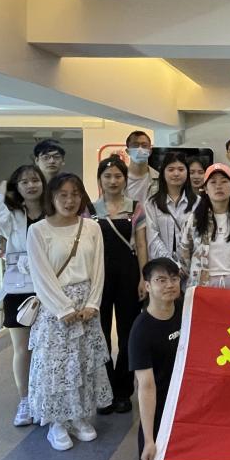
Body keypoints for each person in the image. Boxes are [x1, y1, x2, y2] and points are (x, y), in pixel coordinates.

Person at [26, 173, 112, 451]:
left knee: (84, 362)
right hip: (55, 309)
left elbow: (98, 269)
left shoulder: (92, 228)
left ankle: (78, 417)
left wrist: (93, 303)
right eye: (63, 194)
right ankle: (57, 423)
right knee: (57, 366)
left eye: (75, 194)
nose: (70, 200)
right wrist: (62, 308)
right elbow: (41, 276)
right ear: (51, 197)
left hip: (86, 306)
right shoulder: (37, 231)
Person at [0, 164, 46, 427]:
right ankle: (25, 400)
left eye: (35, 180)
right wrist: (0, 190)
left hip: (49, 289)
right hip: (18, 289)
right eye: (24, 182)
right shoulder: (12, 216)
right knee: (22, 349)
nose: (31, 185)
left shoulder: (52, 212)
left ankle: (45, 398)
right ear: (16, 187)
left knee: (47, 348)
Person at [92, 156, 148, 415]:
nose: (113, 181)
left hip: (128, 274)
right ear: (100, 179)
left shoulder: (136, 207)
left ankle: (123, 391)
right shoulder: (89, 210)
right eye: (107, 176)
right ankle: (104, 391)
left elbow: (142, 244)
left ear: (125, 179)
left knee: (128, 332)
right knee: (99, 333)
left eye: (118, 176)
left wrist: (143, 277)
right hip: (98, 277)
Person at [129, 258, 182, 460]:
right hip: (160, 400)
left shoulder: (184, 308)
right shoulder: (141, 331)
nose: (170, 285)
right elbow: (146, 387)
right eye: (161, 280)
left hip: (187, 392)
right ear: (148, 286)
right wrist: (149, 440)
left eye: (174, 279)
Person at [180, 163, 230, 289]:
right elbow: (184, 255)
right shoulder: (195, 220)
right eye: (213, 182)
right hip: (203, 284)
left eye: (224, 181)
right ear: (205, 189)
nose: (218, 186)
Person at [143, 151, 197, 268]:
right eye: (171, 169)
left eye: (181, 169)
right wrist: (171, 264)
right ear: (163, 173)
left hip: (192, 267)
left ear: (187, 173)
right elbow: (153, 238)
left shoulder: (198, 203)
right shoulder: (152, 204)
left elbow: (199, 238)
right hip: (162, 267)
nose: (176, 173)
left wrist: (185, 264)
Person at [125, 130, 158, 202]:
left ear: (150, 151)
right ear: (128, 151)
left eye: (144, 145)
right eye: (135, 145)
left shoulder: (159, 178)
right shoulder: (120, 178)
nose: (140, 149)